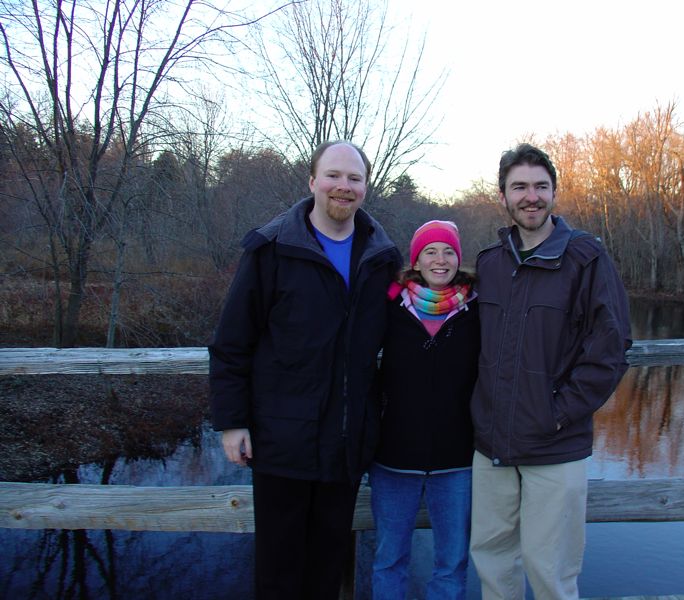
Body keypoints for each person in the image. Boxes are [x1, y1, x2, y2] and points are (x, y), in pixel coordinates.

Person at [208, 140, 402, 600]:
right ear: (312, 181)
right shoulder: (271, 249)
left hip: (346, 443)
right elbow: (233, 342)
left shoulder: (382, 258)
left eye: (354, 178)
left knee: (326, 568)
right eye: (333, 176)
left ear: (366, 187)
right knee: (279, 571)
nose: (344, 186)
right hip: (280, 441)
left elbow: (403, 342)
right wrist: (232, 422)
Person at [469, 143, 632, 600]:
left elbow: (611, 348)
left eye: (541, 186)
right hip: (492, 444)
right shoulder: (490, 263)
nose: (531, 196)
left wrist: (556, 413)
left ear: (554, 193)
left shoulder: (586, 258)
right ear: (502, 195)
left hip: (554, 445)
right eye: (519, 186)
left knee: (551, 572)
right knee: (492, 559)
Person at [370, 220, 479, 600]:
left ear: (458, 259)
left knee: (451, 563)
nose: (440, 259)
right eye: (430, 251)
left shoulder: (476, 310)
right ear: (416, 260)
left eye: (448, 251)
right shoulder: (389, 308)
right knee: (389, 559)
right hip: (394, 459)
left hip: (457, 460)